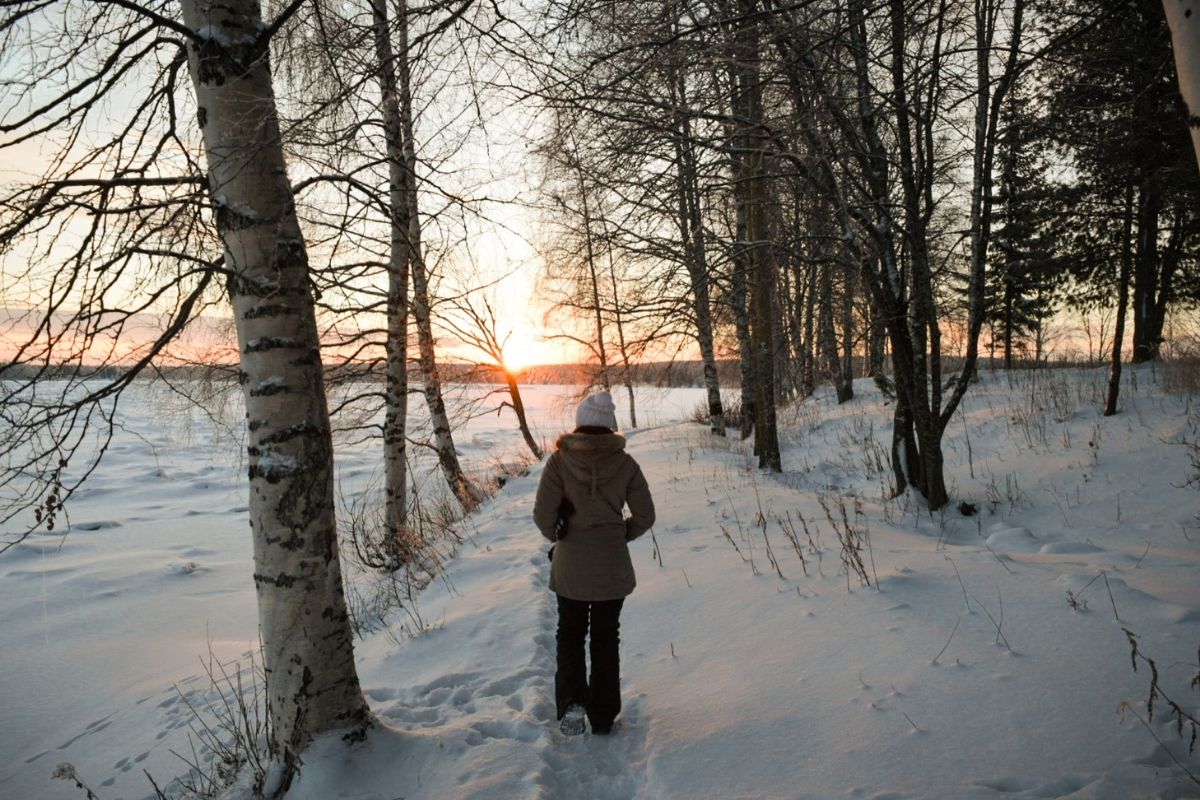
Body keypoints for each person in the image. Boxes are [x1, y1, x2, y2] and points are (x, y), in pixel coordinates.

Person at [533, 390, 655, 736]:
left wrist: (559, 533)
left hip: (571, 564)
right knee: (605, 636)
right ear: (609, 425)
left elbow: (543, 516)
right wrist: (619, 535)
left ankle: (572, 702)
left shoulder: (559, 461)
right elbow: (646, 515)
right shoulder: (626, 463)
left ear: (580, 423)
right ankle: (602, 714)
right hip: (611, 567)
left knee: (570, 633)